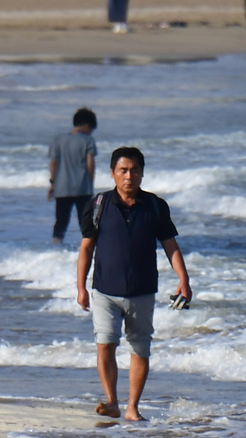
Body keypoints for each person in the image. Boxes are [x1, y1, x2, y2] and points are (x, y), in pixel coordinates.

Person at [76, 147, 191, 421]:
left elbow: (170, 246)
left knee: (140, 347)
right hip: (105, 289)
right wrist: (81, 287)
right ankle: (113, 401)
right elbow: (86, 249)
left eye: (134, 170)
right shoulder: (98, 205)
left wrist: (183, 280)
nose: (129, 176)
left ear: (142, 173)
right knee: (105, 343)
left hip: (142, 290)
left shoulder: (155, 206)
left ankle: (132, 408)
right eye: (123, 170)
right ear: (113, 173)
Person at [48, 108, 98, 245]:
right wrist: (91, 183)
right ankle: (88, 249)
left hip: (62, 188)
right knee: (86, 222)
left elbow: (53, 163)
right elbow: (90, 164)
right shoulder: (88, 140)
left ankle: (56, 248)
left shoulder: (59, 140)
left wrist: (52, 183)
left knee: (61, 221)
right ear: (87, 126)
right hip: (83, 188)